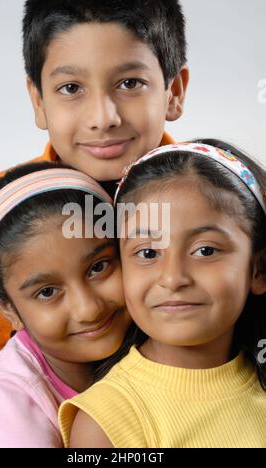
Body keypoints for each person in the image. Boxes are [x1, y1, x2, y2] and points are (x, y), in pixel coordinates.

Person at [0, 0, 189, 377]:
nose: (103, 118)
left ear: (174, 92)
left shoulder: (220, 199)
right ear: (38, 100)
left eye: (130, 83)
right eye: (71, 87)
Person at [59, 140, 266, 448]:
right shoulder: (106, 422)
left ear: (258, 270)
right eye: (147, 253)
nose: (172, 278)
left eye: (205, 250)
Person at [0, 162, 131, 448]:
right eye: (47, 292)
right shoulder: (1, 403)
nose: (88, 309)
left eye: (99, 267)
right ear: (7, 309)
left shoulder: (160, 337)